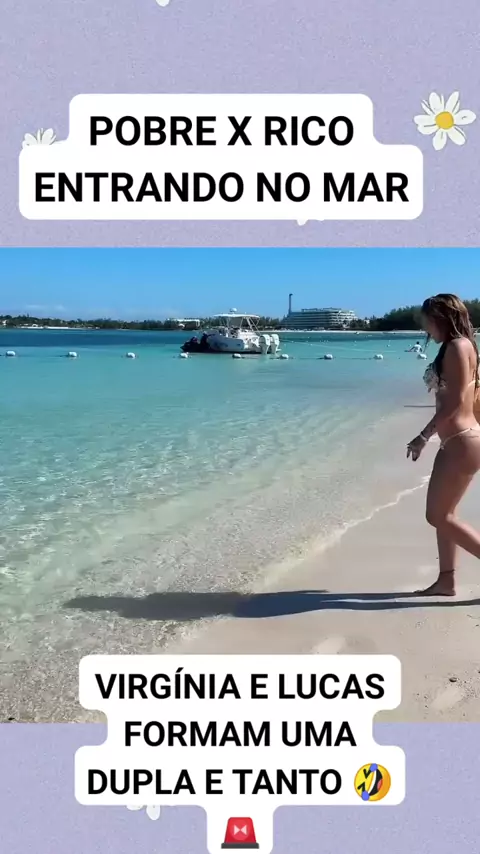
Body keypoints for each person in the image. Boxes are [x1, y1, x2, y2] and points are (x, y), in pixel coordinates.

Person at [407, 294, 480, 596]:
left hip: (462, 441)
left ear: (440, 318)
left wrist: (422, 436)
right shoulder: (462, 346)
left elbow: (454, 404)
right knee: (445, 514)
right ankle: (446, 580)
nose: (425, 327)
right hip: (457, 441)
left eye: (427, 320)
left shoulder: (457, 347)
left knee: (437, 516)